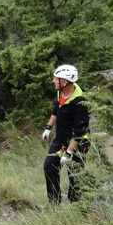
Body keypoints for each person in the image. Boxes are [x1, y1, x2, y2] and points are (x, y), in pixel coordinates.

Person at [42, 64, 90, 204]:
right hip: (61, 139)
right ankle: (54, 203)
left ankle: (77, 207)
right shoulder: (60, 92)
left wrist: (69, 152)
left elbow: (80, 131)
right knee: (49, 167)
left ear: (64, 82)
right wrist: (49, 127)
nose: (53, 81)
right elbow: (56, 110)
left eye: (55, 79)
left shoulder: (80, 102)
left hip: (78, 144)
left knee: (75, 175)